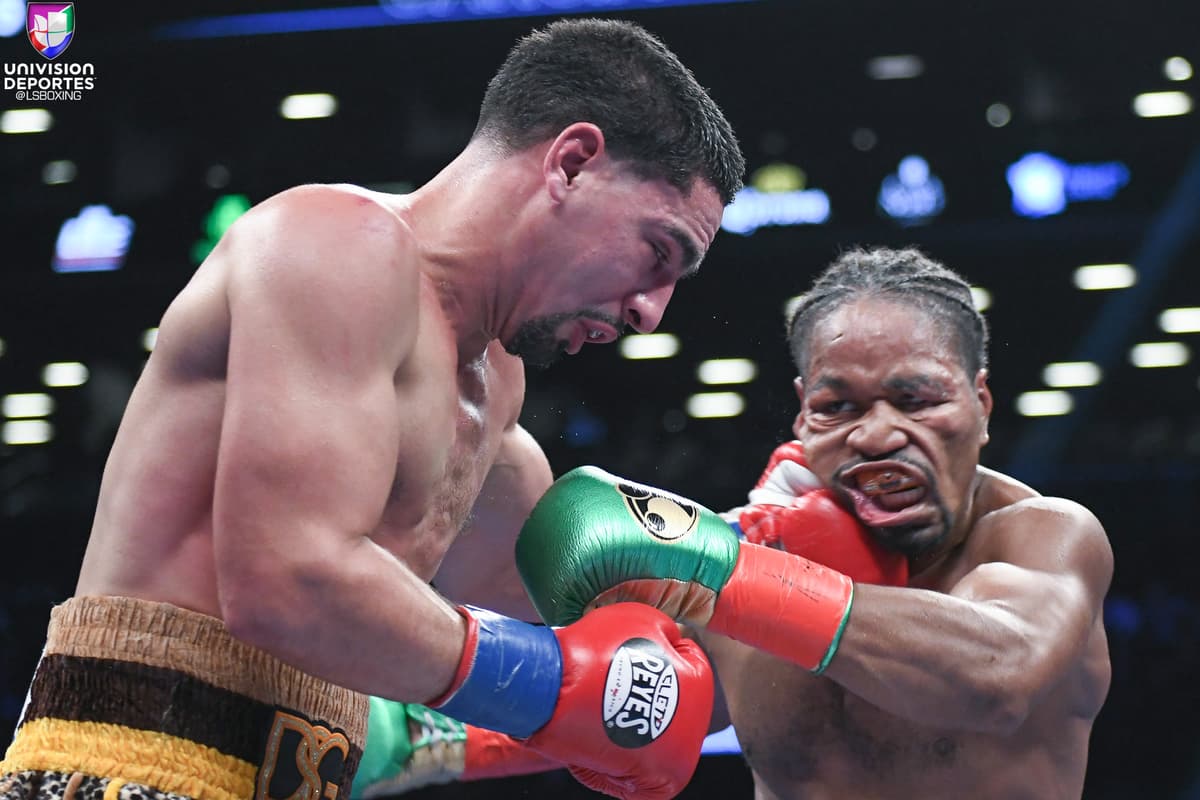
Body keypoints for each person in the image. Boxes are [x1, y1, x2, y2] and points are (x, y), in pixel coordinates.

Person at [0, 17, 744, 800]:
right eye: (658, 252)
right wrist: (546, 686)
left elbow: (625, 661)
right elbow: (288, 583)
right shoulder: (339, 245)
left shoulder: (495, 392)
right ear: (573, 162)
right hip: (131, 765)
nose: (652, 312)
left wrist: (796, 592)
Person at [510, 246, 1113, 798]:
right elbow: (610, 708)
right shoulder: (729, 554)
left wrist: (729, 567)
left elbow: (999, 675)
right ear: (804, 417)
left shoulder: (1044, 537)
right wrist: (445, 715)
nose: (876, 434)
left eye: (918, 400)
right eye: (838, 407)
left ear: (979, 406)